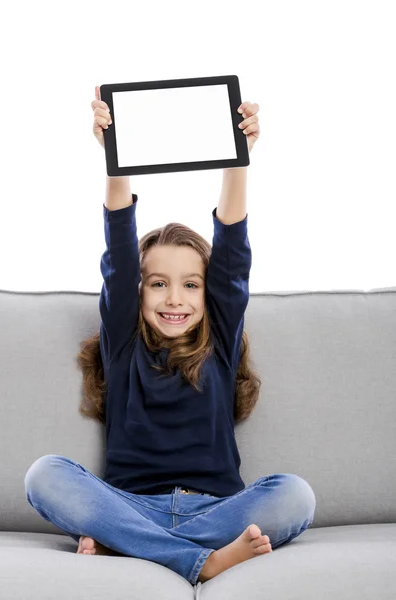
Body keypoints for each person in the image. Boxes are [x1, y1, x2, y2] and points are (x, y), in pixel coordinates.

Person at [24, 85, 316, 586]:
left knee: (295, 494)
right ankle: (197, 560)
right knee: (44, 475)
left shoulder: (220, 341)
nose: (174, 299)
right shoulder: (124, 345)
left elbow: (232, 246)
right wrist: (115, 161)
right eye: (158, 284)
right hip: (130, 505)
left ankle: (129, 548)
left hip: (216, 511)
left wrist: (237, 159)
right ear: (138, 294)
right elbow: (118, 249)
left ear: (209, 296)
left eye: (190, 285)